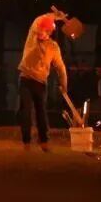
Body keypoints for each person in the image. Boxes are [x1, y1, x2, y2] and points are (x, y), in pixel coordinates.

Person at [17, 13, 68, 151]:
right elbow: (38, 19)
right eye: (40, 29)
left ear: (49, 32)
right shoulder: (32, 36)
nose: (40, 32)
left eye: (44, 30)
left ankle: (44, 142)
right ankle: (26, 142)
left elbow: (61, 67)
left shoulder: (53, 47)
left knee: (41, 112)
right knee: (26, 111)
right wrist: (55, 15)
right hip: (25, 79)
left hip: (40, 83)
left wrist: (64, 84)